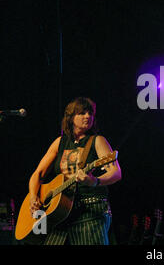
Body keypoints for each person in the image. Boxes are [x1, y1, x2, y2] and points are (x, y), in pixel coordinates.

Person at [28, 97, 122, 245]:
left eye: (90, 113)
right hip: (61, 214)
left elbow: (116, 173)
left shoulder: (97, 141)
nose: (88, 116)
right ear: (71, 117)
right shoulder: (60, 142)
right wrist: (33, 197)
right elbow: (37, 174)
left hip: (90, 211)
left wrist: (95, 181)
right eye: (82, 113)